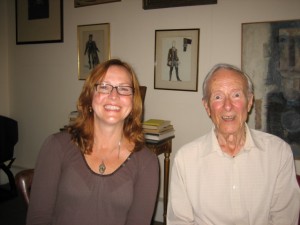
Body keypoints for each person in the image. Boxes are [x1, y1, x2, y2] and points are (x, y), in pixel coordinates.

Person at [26, 59, 159, 225]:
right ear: (90, 96)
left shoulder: (147, 162)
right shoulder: (56, 146)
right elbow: (39, 217)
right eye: (104, 87)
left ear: (133, 102)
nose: (114, 95)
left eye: (124, 89)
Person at [167, 63, 300, 225]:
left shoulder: (279, 153)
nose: (228, 106)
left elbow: (284, 220)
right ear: (207, 107)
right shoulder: (185, 159)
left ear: (250, 101)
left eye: (236, 95)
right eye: (218, 97)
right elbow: (179, 221)